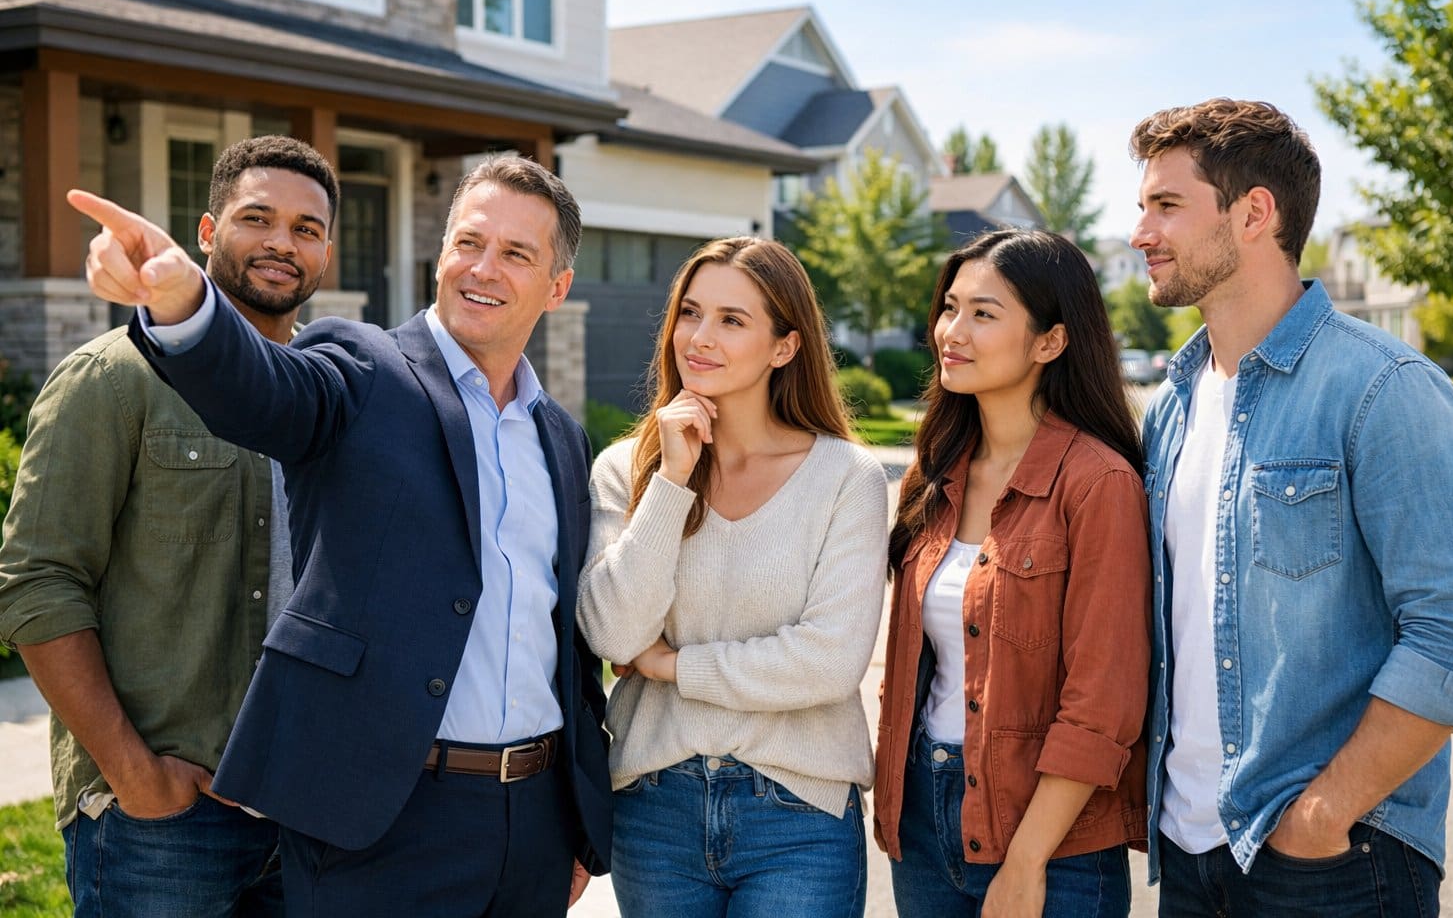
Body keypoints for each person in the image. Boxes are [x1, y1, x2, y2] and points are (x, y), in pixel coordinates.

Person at [70, 153, 610, 918]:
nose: (481, 268)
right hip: (383, 823)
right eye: (468, 242)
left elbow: (565, 636)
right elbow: (261, 392)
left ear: (556, 287)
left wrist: (570, 818)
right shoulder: (360, 367)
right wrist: (182, 299)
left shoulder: (561, 437)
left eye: (516, 253)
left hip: (533, 826)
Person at [1130, 98, 1453, 917]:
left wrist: (1324, 814)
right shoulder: (1174, 403)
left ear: (1254, 213)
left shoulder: (1382, 390)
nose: (1141, 233)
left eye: (1166, 205)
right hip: (1192, 858)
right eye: (1143, 207)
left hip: (1334, 864)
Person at [0, 134, 336, 917]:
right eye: (259, 218)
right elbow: (38, 583)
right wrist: (133, 775)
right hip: (166, 821)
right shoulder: (112, 379)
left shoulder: (330, 396)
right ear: (208, 233)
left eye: (308, 229)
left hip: (307, 815)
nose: (283, 243)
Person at [576, 236, 888, 918]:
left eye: (732, 320)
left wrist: (669, 667)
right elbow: (613, 632)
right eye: (690, 312)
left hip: (796, 812)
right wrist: (673, 480)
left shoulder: (846, 479)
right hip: (653, 810)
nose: (700, 337)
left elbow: (828, 663)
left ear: (784, 346)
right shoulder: (626, 469)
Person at [873, 227, 1152, 918]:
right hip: (926, 822)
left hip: (1050, 844)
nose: (951, 330)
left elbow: (1103, 701)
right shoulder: (935, 474)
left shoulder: (1096, 483)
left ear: (1051, 341)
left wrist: (1027, 860)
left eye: (984, 313)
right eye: (950, 307)